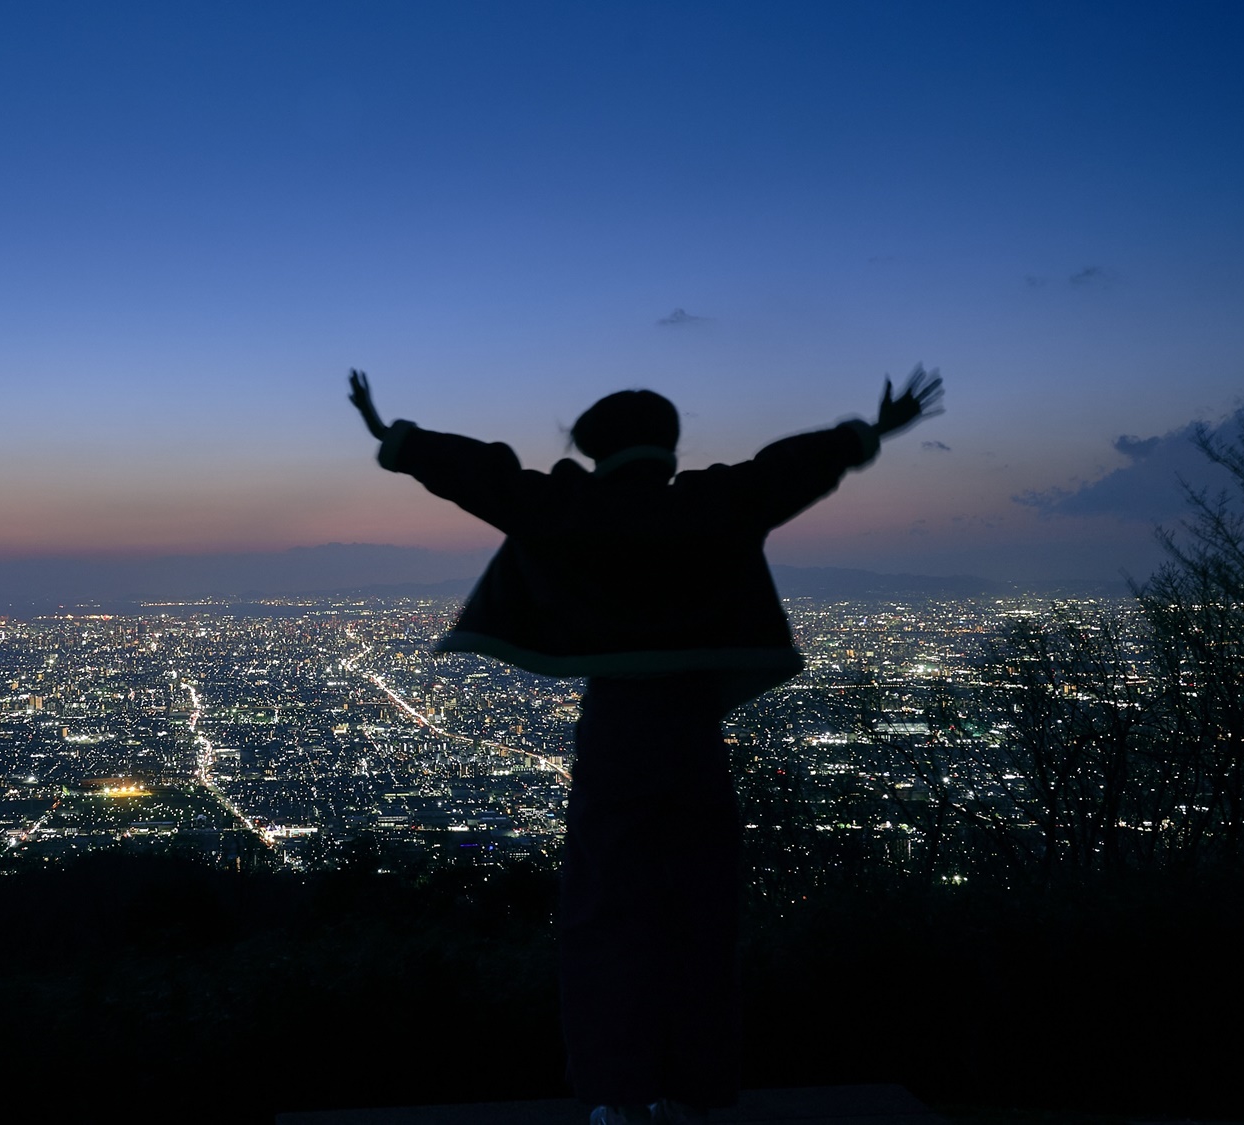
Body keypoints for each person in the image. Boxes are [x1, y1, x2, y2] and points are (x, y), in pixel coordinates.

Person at [346, 366, 944, 1125]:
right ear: (666, 445)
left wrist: (390, 435)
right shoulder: (710, 505)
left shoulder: (572, 507)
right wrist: (872, 431)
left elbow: (484, 476)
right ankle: (694, 1087)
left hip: (618, 730)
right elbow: (785, 470)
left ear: (598, 448)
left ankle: (619, 1091)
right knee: (701, 910)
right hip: (694, 731)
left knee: (607, 912)